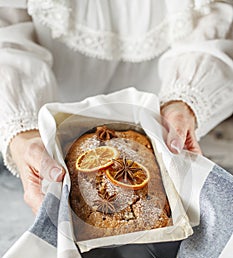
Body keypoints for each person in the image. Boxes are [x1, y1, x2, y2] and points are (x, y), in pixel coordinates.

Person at [0, 0, 232, 214]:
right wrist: (24, 133)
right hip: (47, 121)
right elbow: (6, 31)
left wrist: (183, 103)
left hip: (160, 118)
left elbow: (211, 20)